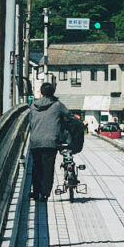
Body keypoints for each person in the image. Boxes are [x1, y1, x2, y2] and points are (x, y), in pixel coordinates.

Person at [27, 79, 81, 218]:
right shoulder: (57, 105)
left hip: (35, 141)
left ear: (41, 93)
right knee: (47, 168)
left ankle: (35, 191)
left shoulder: (33, 105)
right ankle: (44, 194)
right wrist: (79, 123)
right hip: (50, 141)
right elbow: (69, 116)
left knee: (36, 167)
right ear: (53, 92)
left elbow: (30, 120)